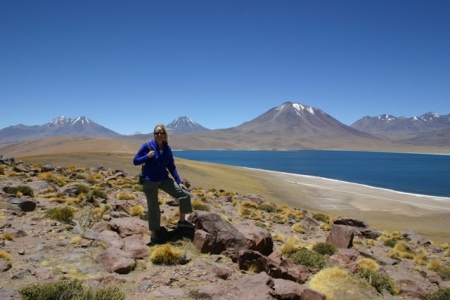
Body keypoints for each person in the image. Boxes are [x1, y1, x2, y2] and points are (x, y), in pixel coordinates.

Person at [133, 124, 194, 245]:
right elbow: (135, 160)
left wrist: (179, 181)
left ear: (165, 134)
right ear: (154, 134)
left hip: (163, 179)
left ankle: (182, 221)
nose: (159, 135)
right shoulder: (148, 146)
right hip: (150, 181)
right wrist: (147, 156)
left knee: (184, 194)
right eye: (157, 133)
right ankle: (154, 235)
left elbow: (171, 166)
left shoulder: (167, 148)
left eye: (161, 133)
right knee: (154, 208)